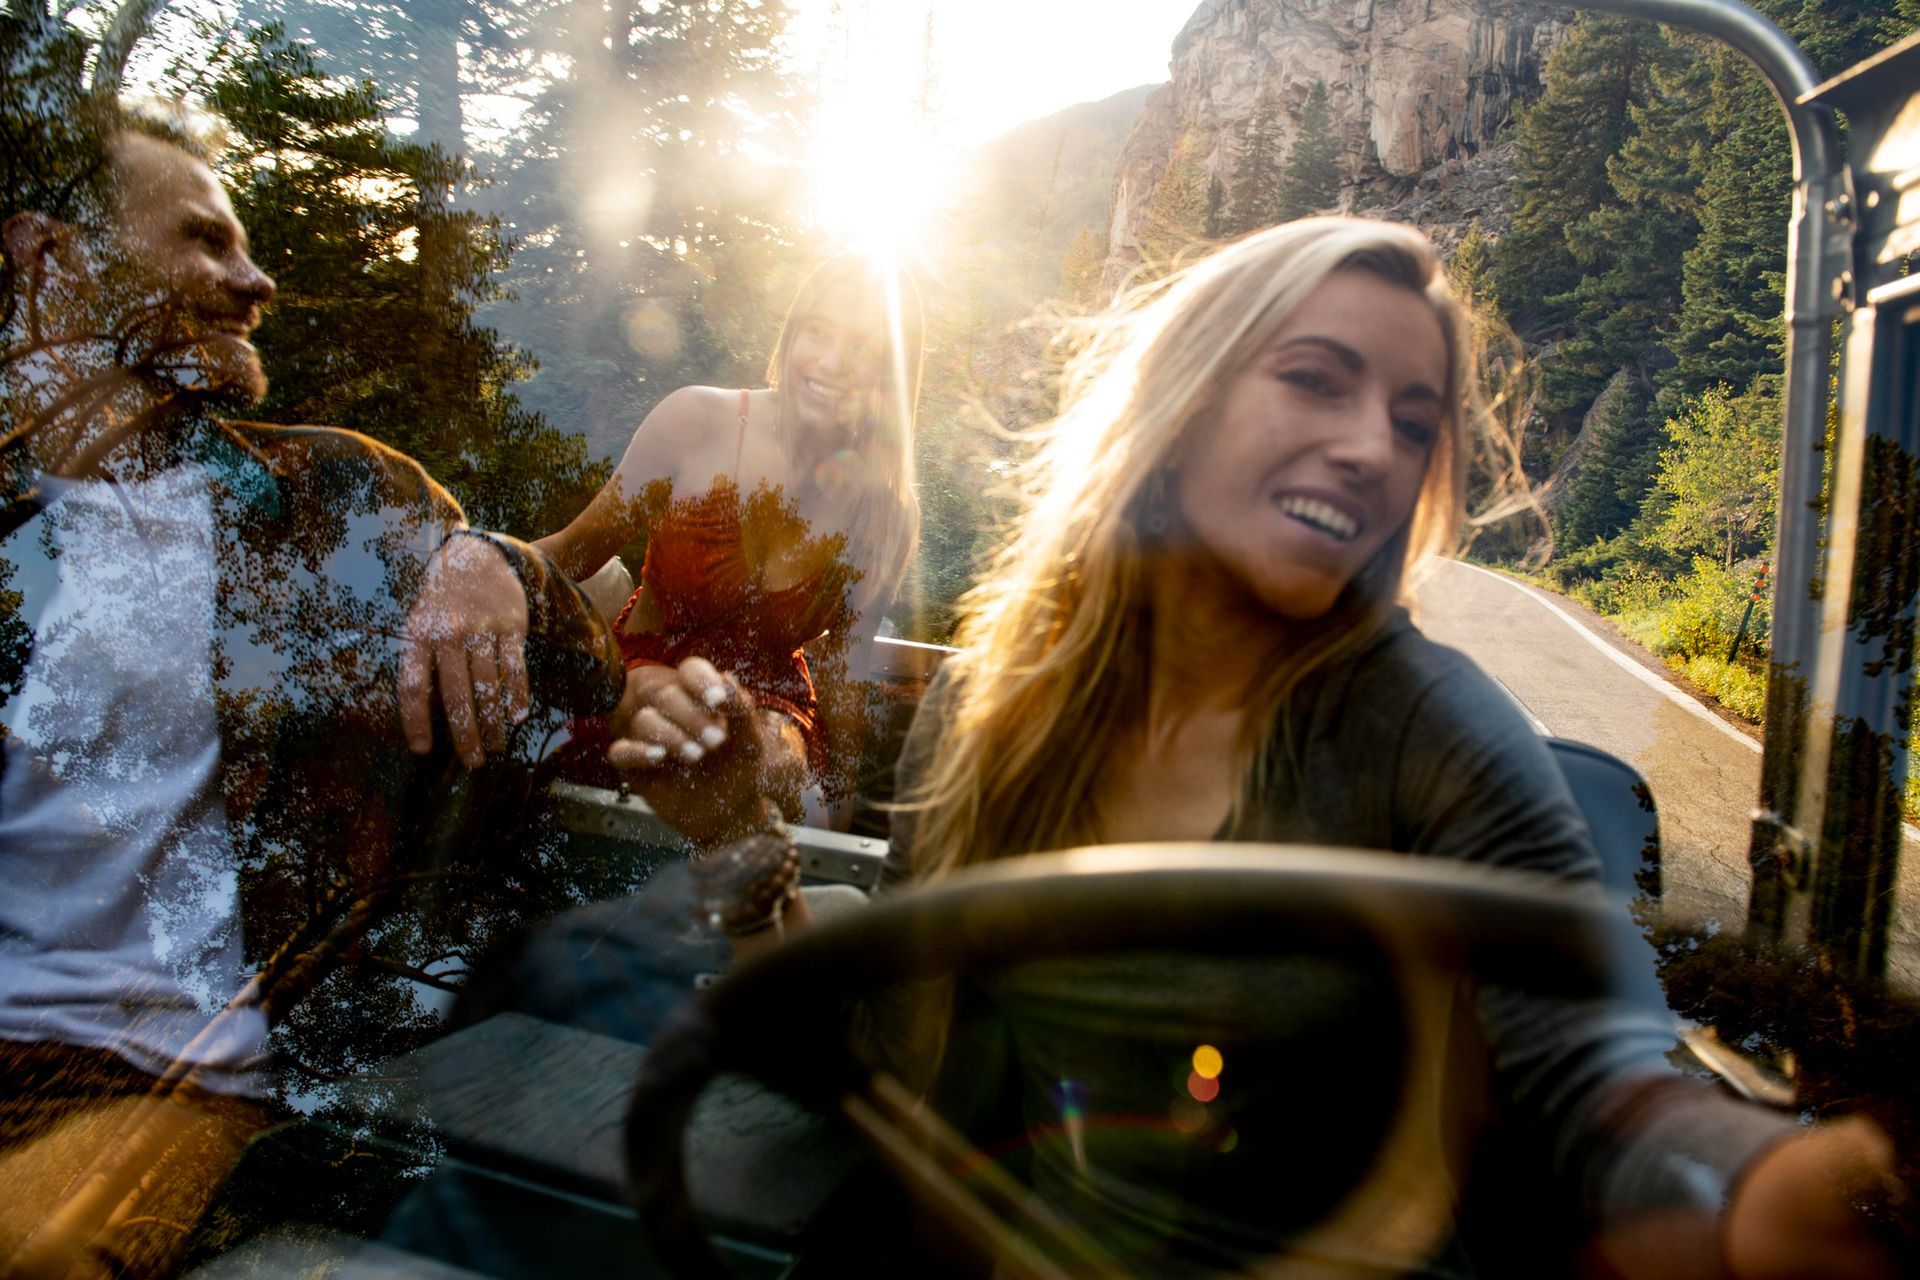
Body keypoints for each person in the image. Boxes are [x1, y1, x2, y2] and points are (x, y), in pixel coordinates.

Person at [799, 217, 1899, 1277]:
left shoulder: (1431, 730)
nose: (1375, 446)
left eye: (1414, 424)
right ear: (1182, 404)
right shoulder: (993, 698)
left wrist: (1759, 1180)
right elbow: (909, 1054)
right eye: (1316, 379)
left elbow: (1597, 1070)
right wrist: (743, 859)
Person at [0, 98, 621, 1279]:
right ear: (51, 258)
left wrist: (499, 564)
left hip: (196, 1101)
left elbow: (591, 673)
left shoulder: (333, 497)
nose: (258, 279)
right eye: (206, 240)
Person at [534, 253, 924, 855]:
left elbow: (843, 688)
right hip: (642, 676)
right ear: (792, 333)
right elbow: (569, 553)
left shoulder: (881, 514)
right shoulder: (696, 422)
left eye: (862, 348)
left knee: (770, 750)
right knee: (672, 703)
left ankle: (756, 897)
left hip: (774, 713)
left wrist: (841, 848)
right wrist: (467, 563)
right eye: (818, 331)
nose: (830, 362)